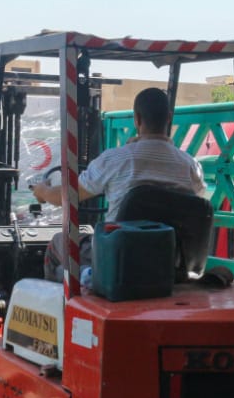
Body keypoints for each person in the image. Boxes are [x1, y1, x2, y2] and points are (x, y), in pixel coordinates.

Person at [30, 86, 207, 281]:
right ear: (169, 118)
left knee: (57, 243)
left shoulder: (114, 160)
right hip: (170, 262)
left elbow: (66, 196)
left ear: (137, 119)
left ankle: (68, 303)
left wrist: (43, 191)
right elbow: (194, 204)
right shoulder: (191, 166)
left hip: (119, 259)